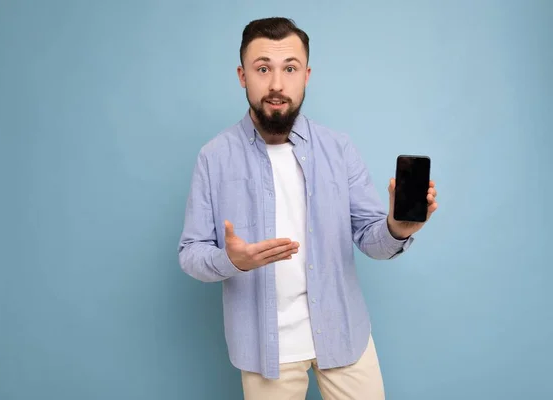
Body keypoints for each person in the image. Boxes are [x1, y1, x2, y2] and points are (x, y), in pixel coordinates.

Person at [178, 17, 438, 400]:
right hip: (264, 347)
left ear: (306, 75)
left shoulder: (338, 148)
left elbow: (371, 239)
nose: (276, 84)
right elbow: (191, 254)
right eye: (262, 68)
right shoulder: (213, 158)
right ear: (242, 75)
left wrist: (397, 227)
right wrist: (233, 261)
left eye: (290, 68)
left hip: (343, 333)